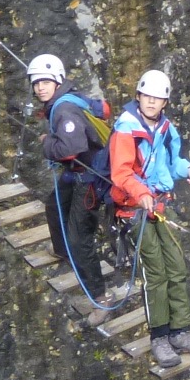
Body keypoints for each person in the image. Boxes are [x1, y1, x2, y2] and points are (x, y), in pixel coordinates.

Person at [109, 69, 190, 368]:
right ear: (138, 96)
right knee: (155, 273)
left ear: (165, 102)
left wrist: (188, 170)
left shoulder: (166, 129)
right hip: (134, 209)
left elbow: (172, 160)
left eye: (157, 98)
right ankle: (159, 337)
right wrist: (141, 192)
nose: (151, 102)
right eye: (147, 96)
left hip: (160, 205)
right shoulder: (126, 129)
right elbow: (121, 172)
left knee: (177, 267)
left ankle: (181, 331)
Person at [29, 54, 114, 301]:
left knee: (79, 238)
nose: (40, 88)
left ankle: (99, 297)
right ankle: (62, 250)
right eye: (36, 83)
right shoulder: (66, 99)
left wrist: (47, 143)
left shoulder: (64, 109)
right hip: (78, 172)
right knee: (53, 206)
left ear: (57, 81)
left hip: (90, 179)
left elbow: (70, 149)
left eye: (45, 82)